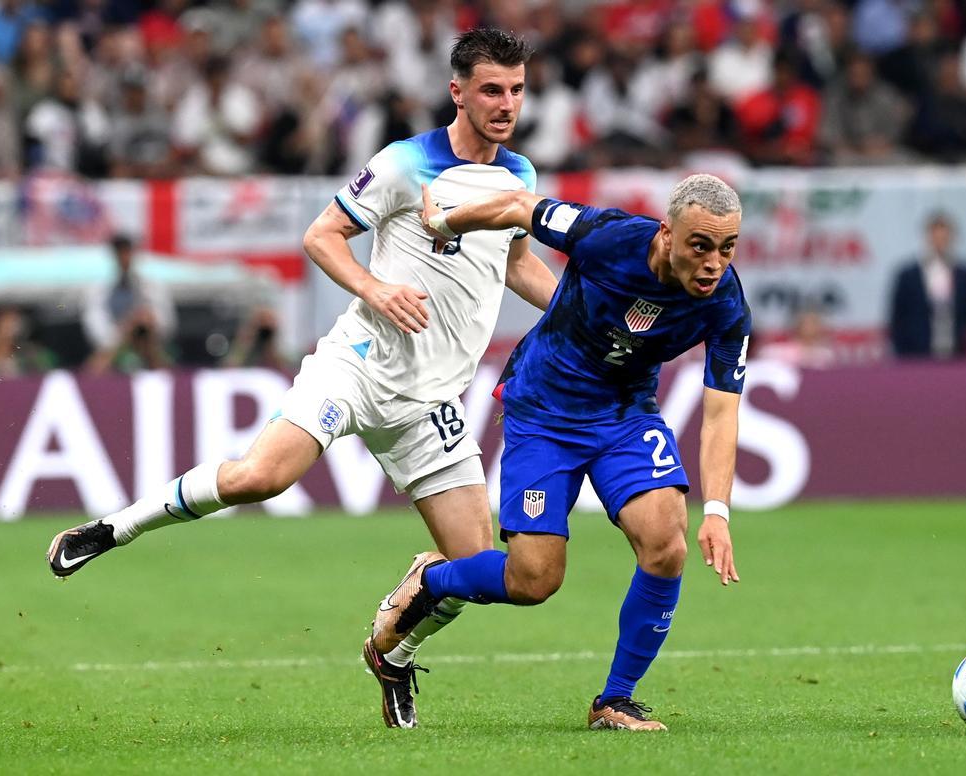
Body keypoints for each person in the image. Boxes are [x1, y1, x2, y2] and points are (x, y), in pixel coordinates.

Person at [47, 28, 557, 730]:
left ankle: (392, 652)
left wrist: (577, 309)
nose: (507, 104)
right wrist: (377, 291)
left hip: (431, 401)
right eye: (493, 90)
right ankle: (114, 528)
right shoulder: (406, 164)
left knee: (474, 566)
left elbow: (518, 260)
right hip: (358, 364)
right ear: (458, 92)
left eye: (518, 90)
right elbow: (321, 235)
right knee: (264, 475)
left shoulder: (519, 177)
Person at [370, 173, 750, 732]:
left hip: (625, 416)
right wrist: (446, 222)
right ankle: (431, 582)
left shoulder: (726, 305)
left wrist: (717, 511)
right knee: (535, 581)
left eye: (727, 248)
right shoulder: (608, 237)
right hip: (543, 411)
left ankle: (615, 701)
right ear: (667, 235)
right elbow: (523, 207)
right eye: (701, 245)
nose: (714, 263)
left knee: (666, 544)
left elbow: (721, 412)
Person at [888, 212, 966, 359]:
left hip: (958, 354)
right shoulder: (908, 276)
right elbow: (898, 319)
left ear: (952, 238)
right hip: (918, 355)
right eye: (935, 237)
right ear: (927, 237)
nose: (939, 242)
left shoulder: (965, 276)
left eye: (944, 237)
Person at [82, 234, 176, 374]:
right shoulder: (99, 290)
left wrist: (146, 322)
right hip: (115, 350)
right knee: (95, 370)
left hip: (148, 347)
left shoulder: (152, 287)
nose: (124, 257)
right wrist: (127, 328)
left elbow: (166, 323)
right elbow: (97, 330)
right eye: (120, 252)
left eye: (127, 251)